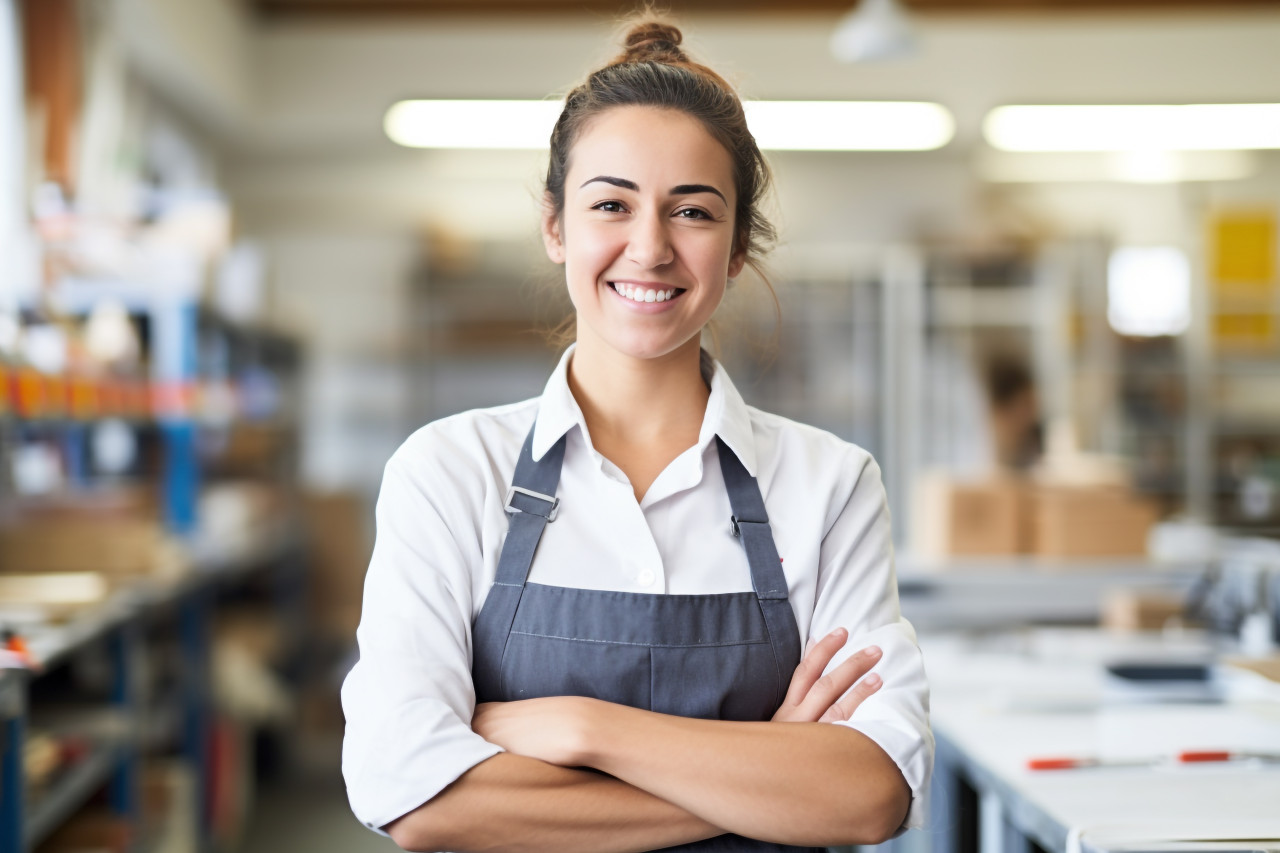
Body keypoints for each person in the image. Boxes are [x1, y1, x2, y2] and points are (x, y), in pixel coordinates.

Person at [342, 16, 932, 853]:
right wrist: (765, 769)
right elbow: (419, 801)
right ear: (556, 227)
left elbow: (870, 791)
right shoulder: (449, 473)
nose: (650, 247)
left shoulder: (828, 484)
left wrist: (585, 728)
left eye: (692, 210)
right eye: (611, 204)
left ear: (734, 250)